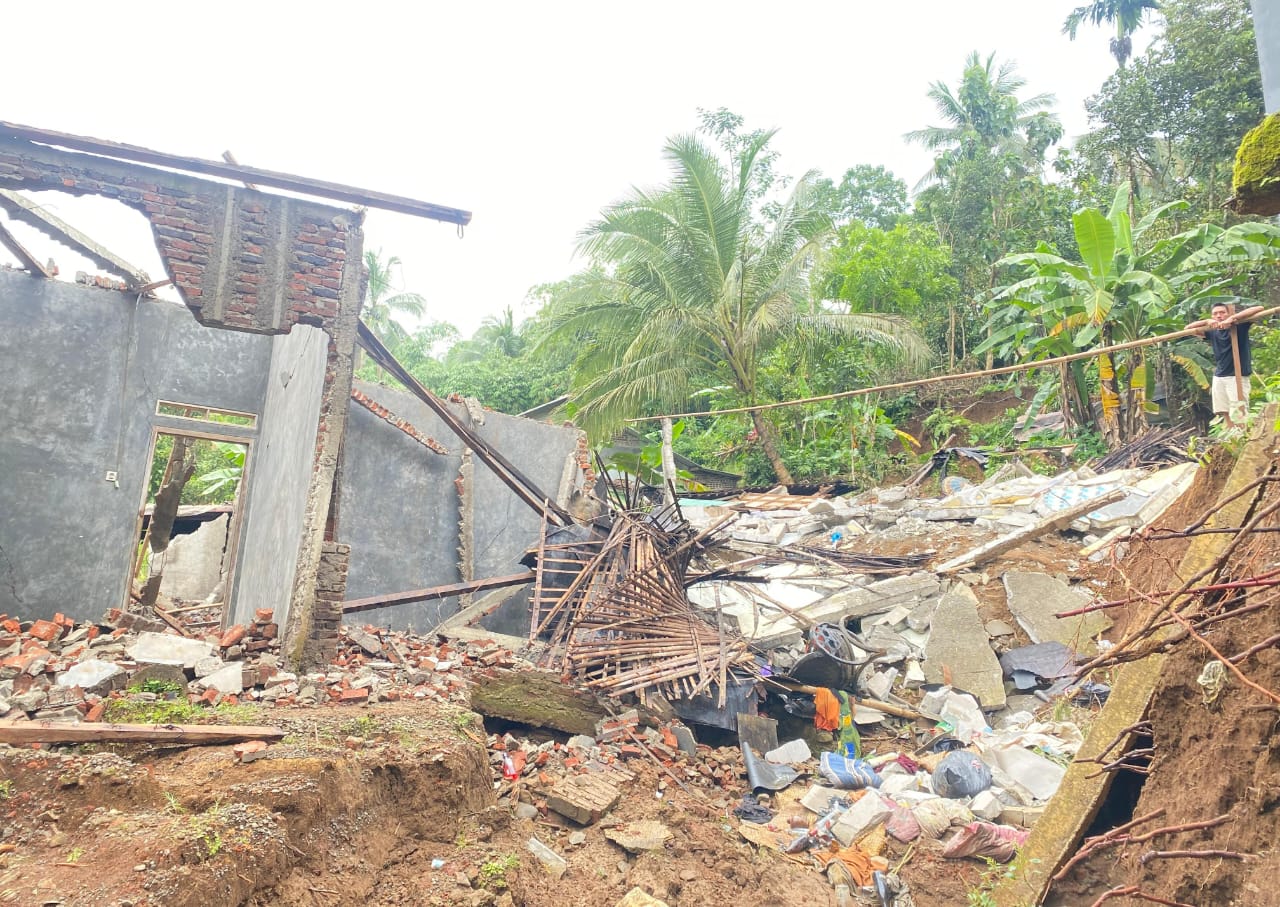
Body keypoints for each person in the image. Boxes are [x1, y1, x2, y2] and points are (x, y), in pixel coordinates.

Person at [1187, 302, 1264, 426]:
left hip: (1237, 375)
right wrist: (1207, 321)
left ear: (1229, 313)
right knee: (1224, 410)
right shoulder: (1212, 331)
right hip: (1220, 375)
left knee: (1239, 411)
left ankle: (1242, 437)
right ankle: (1231, 439)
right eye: (1215, 314)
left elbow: (1259, 308)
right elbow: (1188, 329)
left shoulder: (1239, 325)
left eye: (1222, 312)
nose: (1219, 316)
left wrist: (1232, 319)